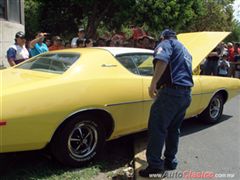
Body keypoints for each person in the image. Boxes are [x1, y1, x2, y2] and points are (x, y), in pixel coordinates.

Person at [139, 29, 193, 178]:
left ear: (162, 37)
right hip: (186, 93)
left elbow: (162, 60)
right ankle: (170, 160)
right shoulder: (184, 48)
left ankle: (155, 166)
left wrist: (153, 83)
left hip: (170, 93)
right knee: (173, 129)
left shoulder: (166, 43)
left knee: (157, 128)